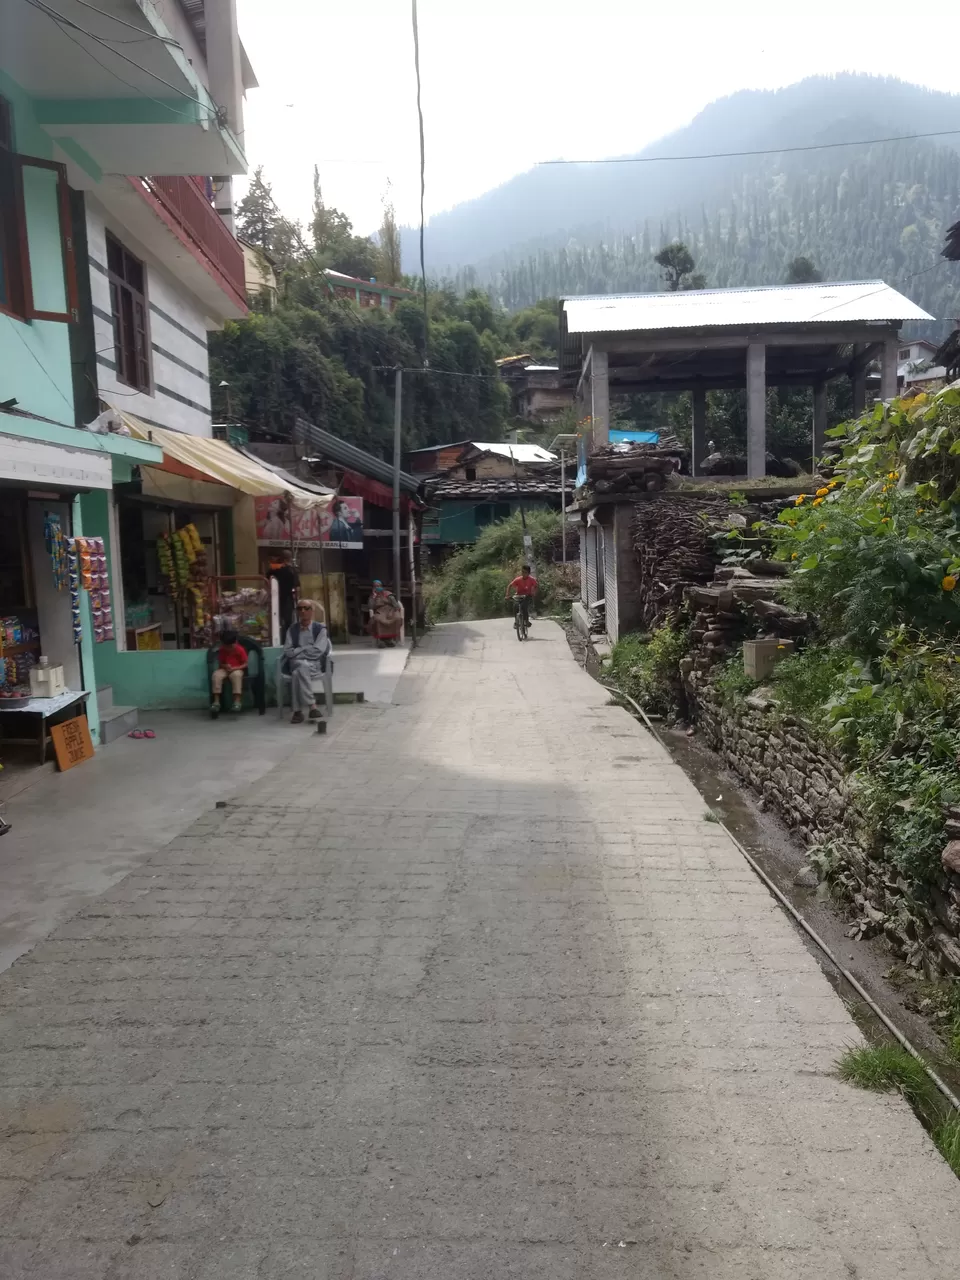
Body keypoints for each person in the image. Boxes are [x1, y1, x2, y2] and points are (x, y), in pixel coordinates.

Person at [283, 598, 331, 724]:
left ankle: (298, 712)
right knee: (300, 666)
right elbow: (288, 651)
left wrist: (299, 650)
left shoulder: (320, 629)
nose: (303, 611)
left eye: (306, 608)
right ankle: (312, 706)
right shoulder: (292, 629)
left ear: (312, 611)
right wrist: (305, 649)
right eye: (300, 609)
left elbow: (318, 651)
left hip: (314, 664)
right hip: (296, 663)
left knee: (296, 674)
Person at [211, 628, 247, 715]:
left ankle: (237, 701)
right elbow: (221, 662)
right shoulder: (222, 650)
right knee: (216, 675)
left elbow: (245, 664)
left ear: (235, 643)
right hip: (224, 669)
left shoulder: (240, 649)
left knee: (236, 675)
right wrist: (225, 666)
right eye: (226, 646)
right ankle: (216, 702)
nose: (228, 648)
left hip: (237, 669)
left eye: (230, 646)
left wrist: (235, 668)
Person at [268, 549, 300, 636]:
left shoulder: (275, 569)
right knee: (287, 621)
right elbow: (297, 587)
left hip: (275, 598)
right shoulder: (292, 571)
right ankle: (286, 638)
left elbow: (268, 577)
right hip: (287, 599)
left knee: (276, 620)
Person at [366, 580, 402, 647]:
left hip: (390, 610)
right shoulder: (372, 596)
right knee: (377, 620)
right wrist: (374, 597)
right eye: (375, 586)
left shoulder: (387, 593)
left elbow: (396, 605)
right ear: (373, 587)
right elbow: (370, 606)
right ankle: (381, 640)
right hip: (380, 612)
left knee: (397, 618)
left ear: (381, 586)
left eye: (378, 586)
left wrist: (395, 608)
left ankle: (389, 639)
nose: (377, 587)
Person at [506, 563, 538, 629]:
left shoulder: (531, 579)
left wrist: (533, 592)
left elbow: (536, 586)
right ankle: (516, 622)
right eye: (522, 572)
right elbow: (510, 586)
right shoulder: (518, 579)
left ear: (528, 573)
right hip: (519, 595)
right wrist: (507, 595)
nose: (523, 574)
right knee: (515, 606)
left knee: (524, 606)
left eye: (525, 572)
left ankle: (526, 621)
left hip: (527, 595)